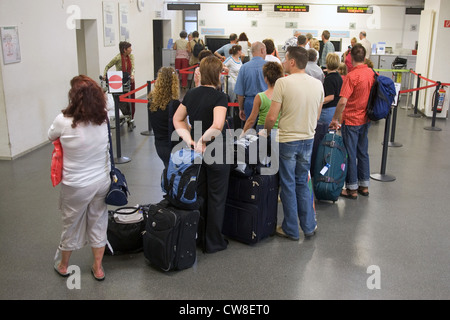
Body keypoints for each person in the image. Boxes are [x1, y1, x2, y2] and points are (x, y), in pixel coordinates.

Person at [49, 75, 110, 281]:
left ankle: (64, 265)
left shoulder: (62, 121)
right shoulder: (103, 116)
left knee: (71, 223)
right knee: (99, 221)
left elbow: (50, 136)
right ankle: (98, 268)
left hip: (76, 185)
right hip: (101, 181)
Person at [264, 46, 324, 240]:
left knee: (288, 184)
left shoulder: (283, 83)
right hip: (308, 139)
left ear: (292, 62)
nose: (282, 62)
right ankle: (308, 225)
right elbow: (317, 114)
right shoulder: (318, 84)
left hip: (288, 140)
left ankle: (290, 228)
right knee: (303, 182)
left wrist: (265, 131)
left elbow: (272, 117)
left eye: (285, 58)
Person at [172, 56, 230, 253]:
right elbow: (218, 125)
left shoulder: (191, 94)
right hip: (216, 151)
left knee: (202, 195)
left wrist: (191, 141)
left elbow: (178, 120)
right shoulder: (220, 97)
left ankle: (199, 237)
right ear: (217, 74)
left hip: (196, 153)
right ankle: (213, 242)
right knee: (217, 197)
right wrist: (204, 141)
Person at [329, 44, 375, 199]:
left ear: (351, 57)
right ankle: (364, 185)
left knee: (350, 153)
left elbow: (342, 101)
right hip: (366, 118)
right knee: (363, 152)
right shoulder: (371, 73)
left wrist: (335, 118)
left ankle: (351, 189)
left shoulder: (352, 76)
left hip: (352, 120)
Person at [148, 67, 181, 169]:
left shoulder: (151, 101)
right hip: (173, 145)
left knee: (168, 169)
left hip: (159, 144)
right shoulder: (175, 104)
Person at [242, 61, 284, 134]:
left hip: (262, 129)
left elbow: (251, 120)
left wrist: (242, 134)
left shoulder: (260, 96)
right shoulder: (284, 95)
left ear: (265, 79)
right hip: (279, 130)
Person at [234, 41, 268, 121]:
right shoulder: (270, 66)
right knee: (266, 131)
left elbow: (240, 93)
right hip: (266, 103)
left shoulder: (244, 67)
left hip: (249, 103)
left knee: (249, 130)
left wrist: (241, 109)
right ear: (262, 50)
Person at [103, 41, 136, 120]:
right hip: (120, 82)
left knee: (131, 99)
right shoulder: (117, 58)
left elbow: (133, 68)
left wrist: (132, 75)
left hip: (129, 80)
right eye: (129, 48)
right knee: (121, 100)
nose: (131, 50)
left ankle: (131, 116)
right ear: (125, 50)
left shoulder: (131, 57)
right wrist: (104, 75)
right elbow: (107, 66)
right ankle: (123, 115)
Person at [320, 53, 343, 126]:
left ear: (327, 63)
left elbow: (330, 97)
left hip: (327, 110)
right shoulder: (338, 77)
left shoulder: (329, 79)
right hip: (335, 108)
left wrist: (319, 101)